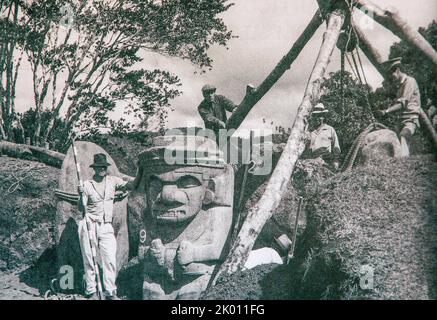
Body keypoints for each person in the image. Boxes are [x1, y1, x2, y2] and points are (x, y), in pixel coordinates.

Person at [77, 153, 134, 300]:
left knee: (109, 258)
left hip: (106, 225)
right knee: (89, 259)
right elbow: (80, 208)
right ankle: (91, 291)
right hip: (89, 224)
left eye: (104, 167)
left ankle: (110, 292)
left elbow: (132, 185)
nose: (102, 169)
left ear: (106, 168)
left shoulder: (113, 181)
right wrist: (80, 194)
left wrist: (140, 170)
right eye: (99, 167)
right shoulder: (87, 185)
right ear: (94, 169)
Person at [377, 57, 421, 157]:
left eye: (391, 74)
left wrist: (386, 111)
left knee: (403, 137)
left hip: (410, 119)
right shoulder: (400, 86)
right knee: (393, 142)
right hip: (400, 120)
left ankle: (404, 163)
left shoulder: (410, 82)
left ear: (397, 70)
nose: (391, 77)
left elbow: (402, 104)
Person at [303, 103, 341, 171]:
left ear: (323, 117)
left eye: (320, 116)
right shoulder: (310, 132)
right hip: (311, 162)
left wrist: (335, 161)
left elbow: (336, 146)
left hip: (325, 162)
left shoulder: (330, 129)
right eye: (315, 116)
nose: (317, 118)